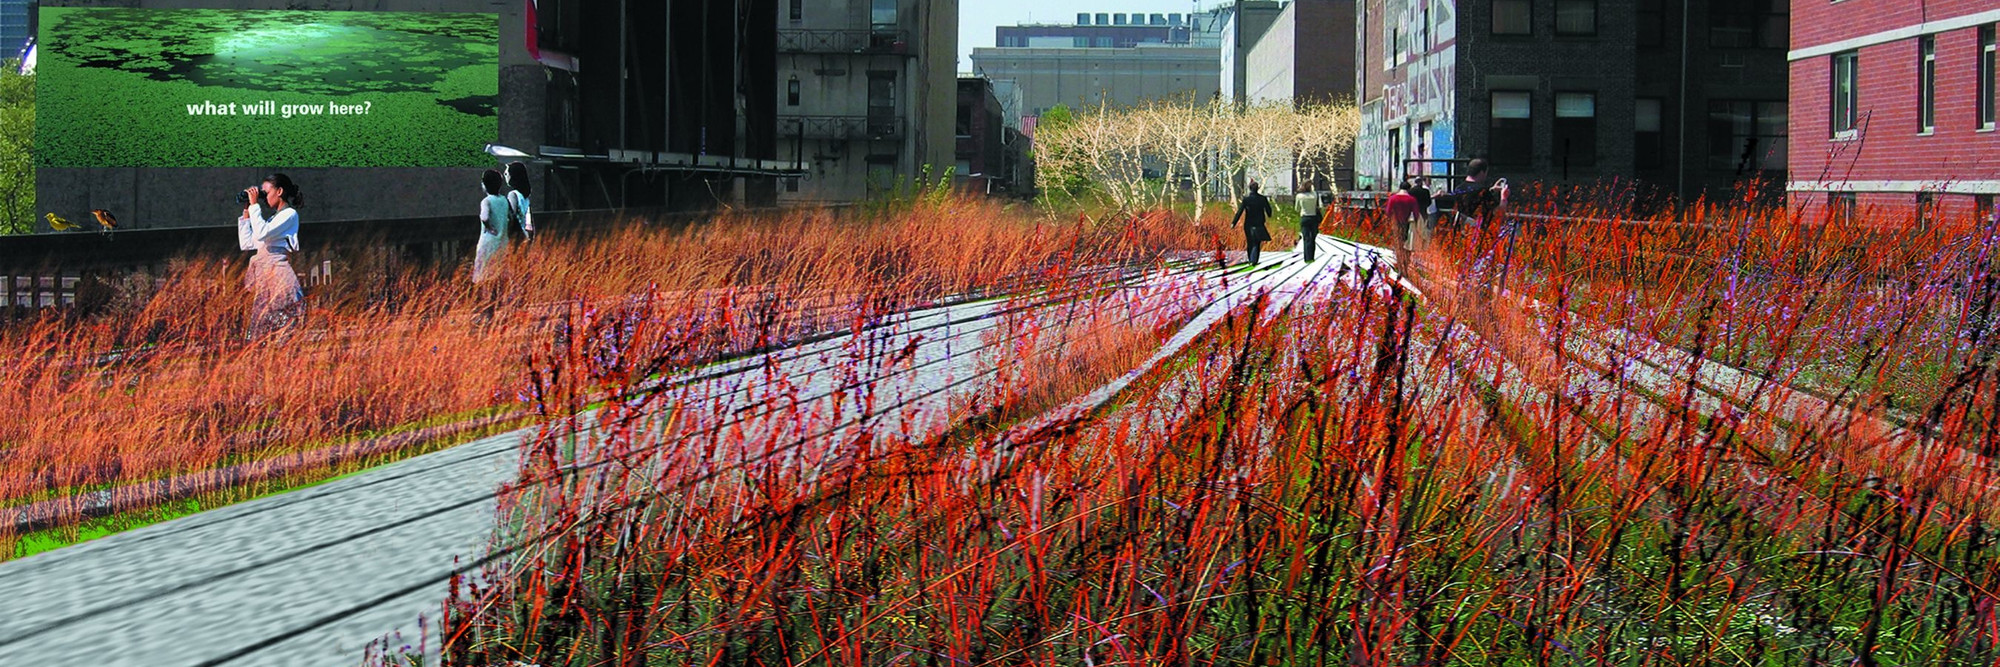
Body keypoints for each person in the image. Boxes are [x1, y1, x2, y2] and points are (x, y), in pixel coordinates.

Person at [237, 173, 305, 337]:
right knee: (259, 327)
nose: (263, 198)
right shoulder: (271, 220)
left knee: (283, 325)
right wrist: (247, 211)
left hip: (277, 272)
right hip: (265, 274)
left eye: (265, 193)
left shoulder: (289, 215)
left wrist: (254, 205)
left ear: (279, 191)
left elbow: (261, 233)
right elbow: (246, 243)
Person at [473, 169, 516, 284]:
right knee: (500, 276)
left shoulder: (486, 201)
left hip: (488, 242)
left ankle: (486, 300)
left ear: (484, 185)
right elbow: (511, 218)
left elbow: (484, 217)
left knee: (484, 277)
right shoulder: (504, 200)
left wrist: (490, 227)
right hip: (502, 242)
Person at [1230, 181, 1274, 265]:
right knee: (1257, 242)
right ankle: (1254, 260)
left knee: (1250, 241)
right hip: (1259, 223)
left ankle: (1251, 259)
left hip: (1248, 223)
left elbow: (1240, 211)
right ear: (1257, 188)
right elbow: (1268, 209)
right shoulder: (1262, 199)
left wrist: (1234, 223)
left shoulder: (1246, 199)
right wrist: (1269, 214)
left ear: (1250, 188)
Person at [1385, 181, 1421, 270]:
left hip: (1396, 222)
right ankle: (1405, 262)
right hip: (1407, 223)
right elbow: (1416, 213)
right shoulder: (1412, 199)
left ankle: (1399, 261)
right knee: (1407, 242)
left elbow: (1388, 212)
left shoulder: (1392, 198)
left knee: (1398, 242)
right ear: (1408, 189)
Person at [505, 161, 534, 243]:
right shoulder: (525, 197)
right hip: (525, 236)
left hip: (515, 237)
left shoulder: (513, 195)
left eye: (507, 174)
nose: (505, 175)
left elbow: (511, 217)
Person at [1295, 184, 1323, 263]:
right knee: (1313, 238)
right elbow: (1320, 206)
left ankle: (1307, 258)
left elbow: (1297, 208)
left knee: (1306, 238)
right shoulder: (1315, 194)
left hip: (1304, 217)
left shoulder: (1299, 196)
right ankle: (1312, 256)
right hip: (1314, 217)